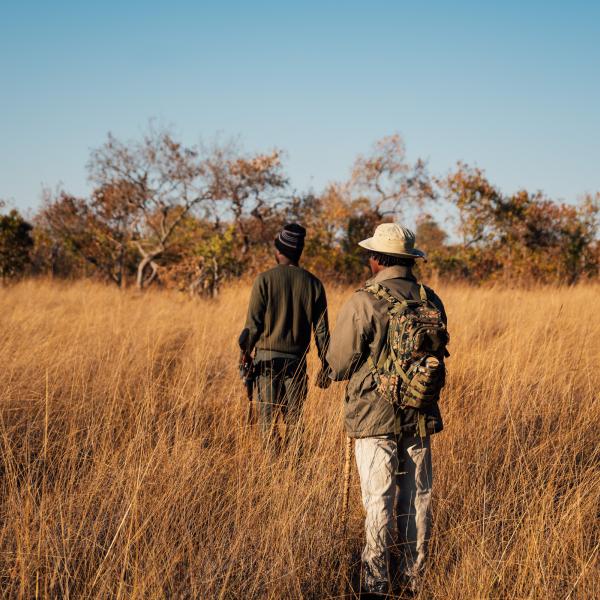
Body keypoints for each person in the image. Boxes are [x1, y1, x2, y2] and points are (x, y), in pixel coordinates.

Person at [327, 223, 448, 596]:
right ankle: (412, 580)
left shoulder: (365, 300)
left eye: (370, 255)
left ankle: (376, 583)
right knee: (416, 499)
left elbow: (337, 364)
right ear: (409, 260)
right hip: (420, 412)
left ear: (377, 259)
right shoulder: (431, 299)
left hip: (372, 417)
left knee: (377, 499)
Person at [239, 223, 330, 452]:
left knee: (267, 423)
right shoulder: (314, 284)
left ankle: (272, 475)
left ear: (278, 250)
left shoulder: (264, 280)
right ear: (299, 252)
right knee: (295, 421)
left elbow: (252, 327)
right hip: (296, 364)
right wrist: (326, 365)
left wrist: (244, 355)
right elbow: (322, 333)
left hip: (267, 364)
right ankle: (294, 472)